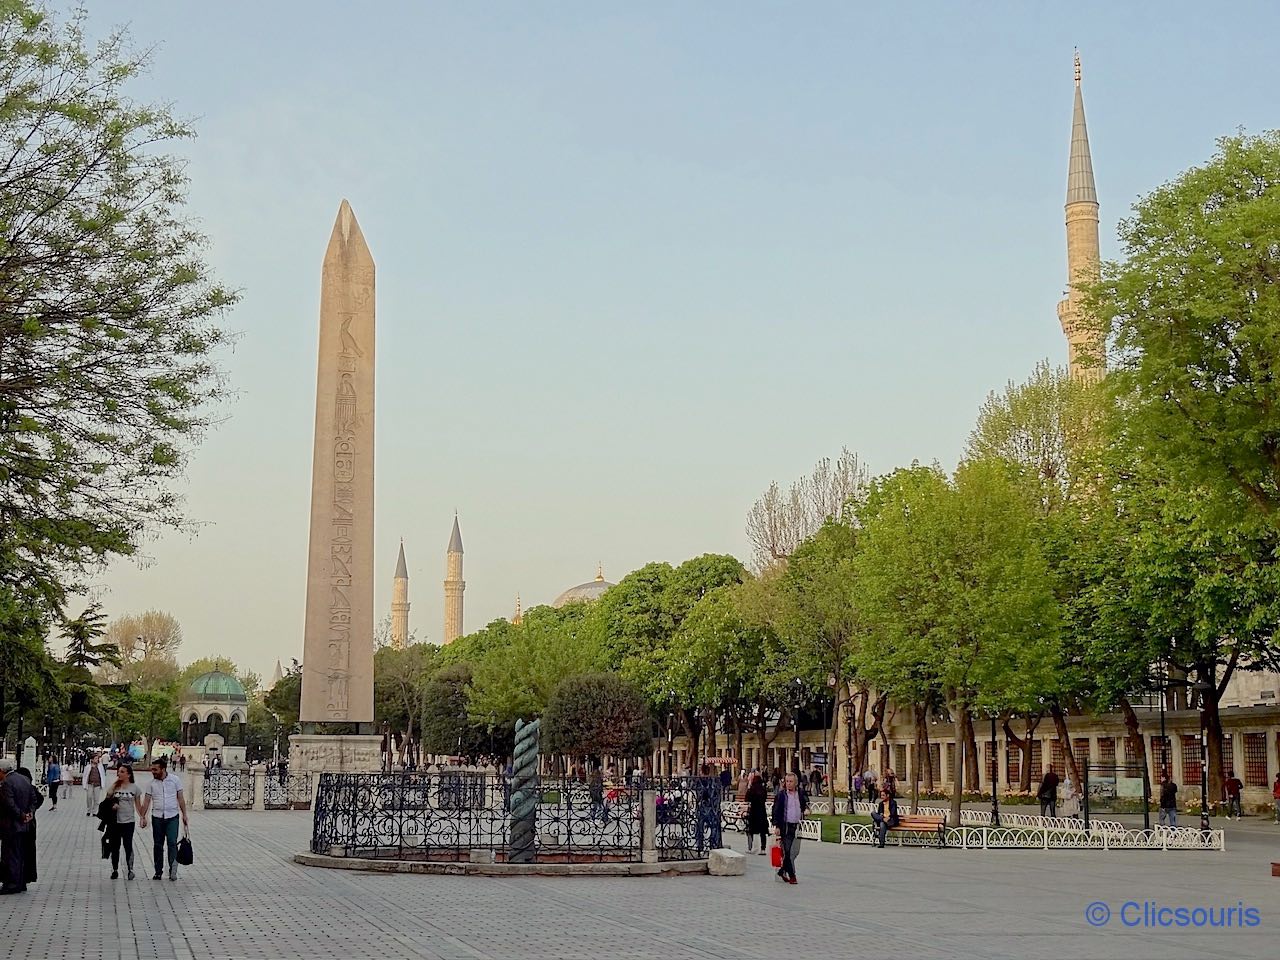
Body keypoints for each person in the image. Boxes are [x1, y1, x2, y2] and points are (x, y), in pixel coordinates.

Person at [139, 756, 188, 881]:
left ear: (163, 769)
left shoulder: (175, 780)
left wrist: (184, 815)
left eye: (155, 770)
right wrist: (142, 816)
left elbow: (180, 798)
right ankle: (158, 871)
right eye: (152, 770)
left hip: (172, 816)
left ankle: (173, 869)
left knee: (172, 843)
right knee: (158, 845)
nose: (153, 772)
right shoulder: (151, 784)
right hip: (157, 817)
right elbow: (146, 801)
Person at [0, 759, 43, 894]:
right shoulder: (24, 779)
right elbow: (34, 799)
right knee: (21, 853)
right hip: (26, 825)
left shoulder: (7, 782)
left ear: (2, 771)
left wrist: (21, 815)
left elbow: (9, 803)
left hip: (12, 824)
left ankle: (12, 883)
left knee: (11, 854)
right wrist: (29, 813)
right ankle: (20, 882)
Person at [106, 764, 143, 879]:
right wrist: (112, 804)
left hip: (128, 821)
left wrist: (143, 817)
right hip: (115, 822)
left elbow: (138, 805)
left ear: (128, 774)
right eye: (119, 771)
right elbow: (106, 801)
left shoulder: (135, 788)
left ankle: (130, 869)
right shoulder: (115, 787)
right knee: (115, 846)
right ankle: (115, 869)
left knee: (128, 845)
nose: (119, 774)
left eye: (122, 772)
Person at [770, 772, 808, 885]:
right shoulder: (782, 795)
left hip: (795, 825)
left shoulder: (800, 793)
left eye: (791, 781)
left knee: (793, 852)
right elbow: (776, 810)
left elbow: (805, 803)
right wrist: (776, 825)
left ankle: (782, 871)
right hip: (785, 825)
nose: (789, 784)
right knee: (787, 851)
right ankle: (792, 876)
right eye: (787, 781)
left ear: (795, 783)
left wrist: (806, 810)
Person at [744, 772, 769, 855]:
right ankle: (763, 849)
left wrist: (749, 787)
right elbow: (765, 798)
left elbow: (746, 799)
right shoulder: (763, 789)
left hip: (753, 811)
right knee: (762, 831)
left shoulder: (752, 789)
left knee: (751, 830)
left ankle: (750, 848)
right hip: (762, 811)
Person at [83, 751, 107, 818]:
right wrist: (84, 785)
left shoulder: (100, 766)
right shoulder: (88, 767)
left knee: (96, 799)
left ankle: (94, 811)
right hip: (90, 784)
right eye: (96, 758)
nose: (97, 760)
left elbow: (102, 775)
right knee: (89, 797)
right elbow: (85, 776)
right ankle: (89, 810)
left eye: (97, 758)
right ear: (92, 759)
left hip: (97, 784)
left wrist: (103, 784)